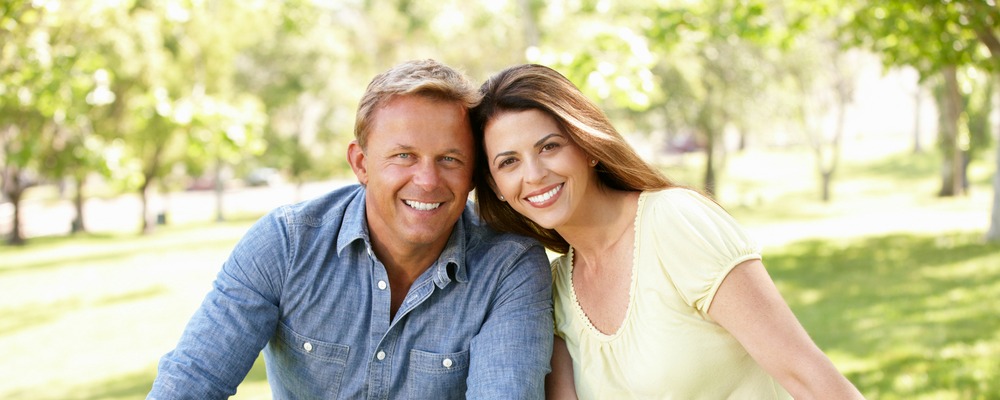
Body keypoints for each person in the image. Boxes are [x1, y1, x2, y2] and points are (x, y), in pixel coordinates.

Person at [148, 59, 554, 399]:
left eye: (449, 159)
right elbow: (191, 383)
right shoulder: (286, 245)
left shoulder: (508, 267)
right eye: (404, 155)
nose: (427, 180)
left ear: (472, 174)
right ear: (361, 163)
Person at [469, 63, 865, 399]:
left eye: (549, 147)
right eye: (509, 162)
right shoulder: (554, 290)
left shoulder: (674, 222)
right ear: (497, 189)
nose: (534, 175)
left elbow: (812, 379)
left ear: (587, 146)